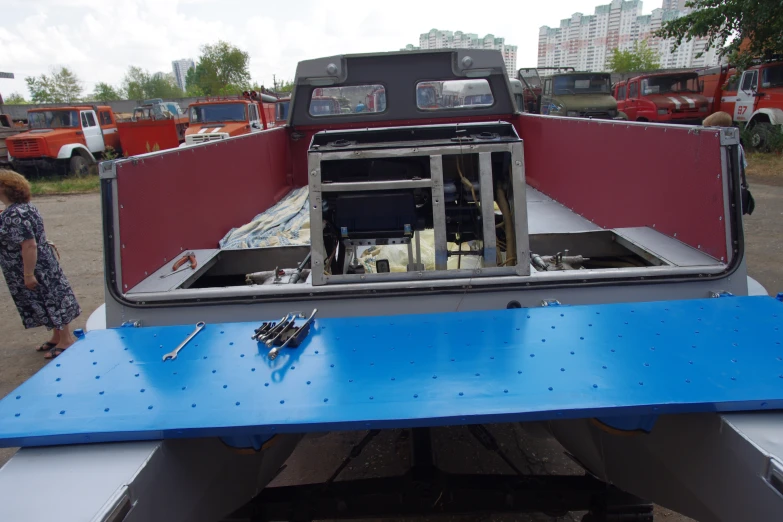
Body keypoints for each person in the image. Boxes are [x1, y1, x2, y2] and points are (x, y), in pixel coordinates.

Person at [0, 169, 81, 359]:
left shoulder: (15, 214)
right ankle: (56, 336)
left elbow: (29, 245)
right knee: (46, 298)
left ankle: (66, 339)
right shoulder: (22, 208)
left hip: (34, 266)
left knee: (51, 298)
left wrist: (28, 274)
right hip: (41, 262)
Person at [703, 111, 755, 215]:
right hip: (731, 186)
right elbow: (741, 168)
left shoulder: (712, 146)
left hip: (721, 189)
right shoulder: (737, 145)